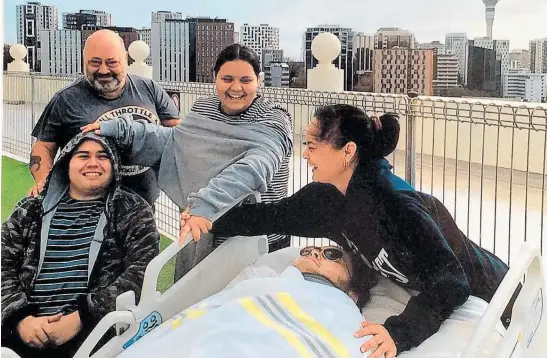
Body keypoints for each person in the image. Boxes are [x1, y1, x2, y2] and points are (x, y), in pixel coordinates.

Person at [184, 104, 514, 358]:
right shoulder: (328, 201)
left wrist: (399, 333)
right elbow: (269, 216)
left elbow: (450, 279)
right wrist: (208, 216)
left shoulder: (395, 204)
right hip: (447, 288)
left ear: (348, 151)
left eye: (313, 144)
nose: (305, 153)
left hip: (496, 294)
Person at [82, 44, 295, 279]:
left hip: (258, 242)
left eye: (246, 80)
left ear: (259, 80)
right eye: (227, 78)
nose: (236, 87)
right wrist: (122, 130)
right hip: (203, 232)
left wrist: (206, 204)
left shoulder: (275, 118)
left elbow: (256, 166)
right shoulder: (203, 110)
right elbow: (172, 141)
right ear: (215, 78)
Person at [1, 132, 160, 358]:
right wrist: (20, 319)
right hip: (22, 334)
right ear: (67, 163)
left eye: (103, 157)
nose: (93, 163)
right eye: (83, 156)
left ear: (114, 164)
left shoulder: (132, 210)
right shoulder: (31, 210)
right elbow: (3, 265)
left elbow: (142, 271)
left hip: (97, 337)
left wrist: (81, 317)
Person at [117, 245, 378, 358]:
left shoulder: (352, 320)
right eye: (308, 251)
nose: (316, 253)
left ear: (353, 293)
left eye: (331, 254)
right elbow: (219, 314)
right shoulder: (263, 284)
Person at [29, 29, 181, 205]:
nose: (103, 70)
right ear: (84, 61)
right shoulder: (65, 99)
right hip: (87, 210)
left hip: (144, 208)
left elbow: (178, 136)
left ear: (125, 59)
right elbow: (43, 148)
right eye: (95, 62)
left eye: (111, 62)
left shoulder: (149, 89)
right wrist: (45, 182)